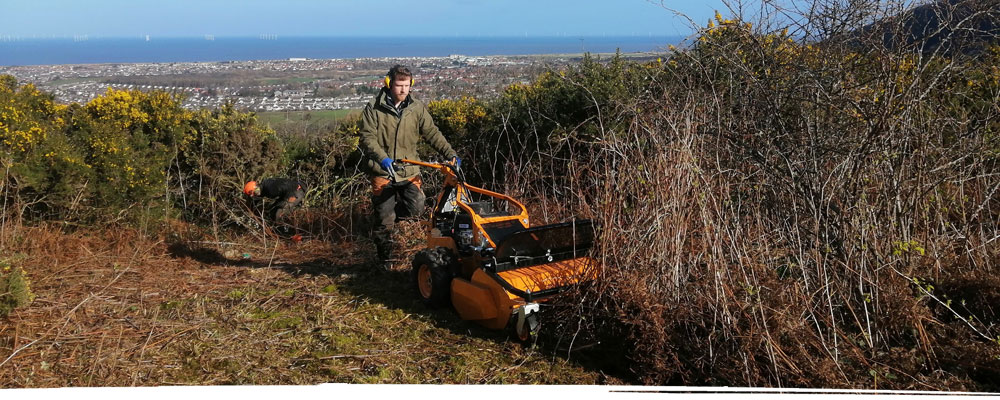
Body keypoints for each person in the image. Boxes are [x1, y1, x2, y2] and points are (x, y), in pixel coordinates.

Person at [358, 64, 459, 261]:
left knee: (417, 208)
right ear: (388, 84)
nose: (403, 90)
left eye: (406, 85)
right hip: (382, 172)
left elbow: (432, 133)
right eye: (398, 85)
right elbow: (367, 137)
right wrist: (382, 158)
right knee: (384, 220)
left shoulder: (416, 108)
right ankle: (385, 259)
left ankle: (392, 221)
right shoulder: (373, 108)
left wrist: (450, 153)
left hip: (409, 170)